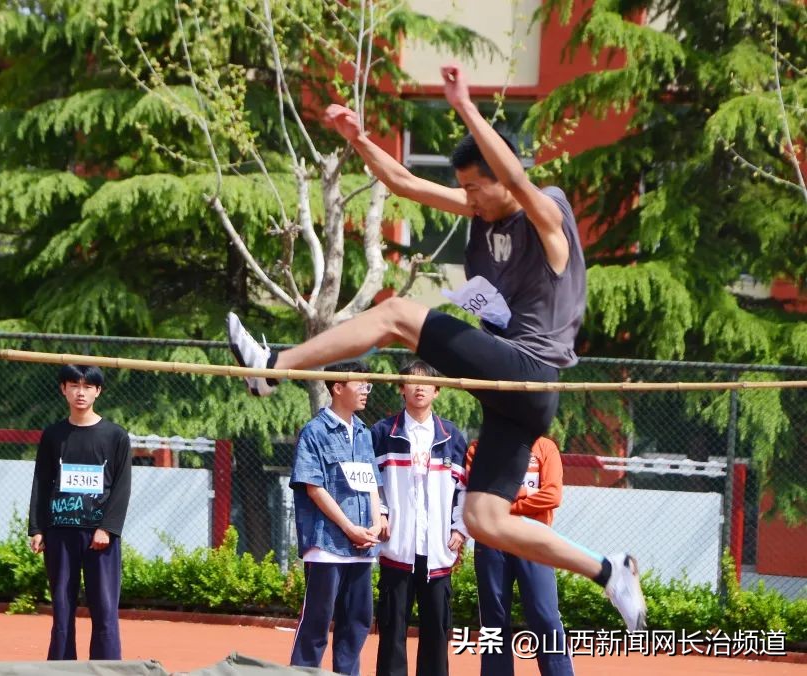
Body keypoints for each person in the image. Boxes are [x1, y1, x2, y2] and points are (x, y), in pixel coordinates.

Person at [225, 62, 646, 631]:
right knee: (482, 517)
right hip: (509, 395)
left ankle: (273, 368)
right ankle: (608, 570)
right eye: (465, 188)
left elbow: (519, 182)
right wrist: (359, 140)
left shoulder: (545, 214)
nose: (468, 199)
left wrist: (465, 105)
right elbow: (404, 183)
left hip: (531, 370)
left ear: (502, 177)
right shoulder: (480, 211)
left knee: (397, 314)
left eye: (477, 187)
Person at [370, 360, 469, 676]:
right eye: (412, 381)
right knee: (391, 631)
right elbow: (371, 483)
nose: (420, 387)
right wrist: (380, 514)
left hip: (438, 551)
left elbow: (465, 490)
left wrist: (460, 528)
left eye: (427, 382)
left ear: (438, 391)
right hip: (397, 547)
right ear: (401, 388)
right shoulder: (383, 433)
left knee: (437, 633)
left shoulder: (452, 436)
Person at [28, 364, 132, 661]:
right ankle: (61, 667)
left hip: (100, 537)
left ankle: (108, 668)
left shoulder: (115, 436)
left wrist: (107, 529)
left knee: (105, 609)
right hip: (60, 532)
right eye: (74, 385)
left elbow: (122, 487)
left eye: (87, 387)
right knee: (62, 608)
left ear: (98, 391)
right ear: (63, 389)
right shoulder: (53, 435)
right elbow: (41, 481)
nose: (80, 392)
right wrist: (37, 528)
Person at [289, 361, 382, 676]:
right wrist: (348, 527)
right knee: (316, 623)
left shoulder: (363, 433)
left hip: (361, 549)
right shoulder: (314, 431)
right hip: (327, 544)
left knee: (356, 623)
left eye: (368, 385)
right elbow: (314, 488)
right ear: (337, 387)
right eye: (361, 385)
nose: (366, 391)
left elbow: (370, 484)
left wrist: (377, 519)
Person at [468, 436, 575, 676]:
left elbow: (552, 496)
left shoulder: (545, 447)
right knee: (494, 621)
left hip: (534, 539)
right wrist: (527, 494)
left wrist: (505, 503)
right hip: (491, 541)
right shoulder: (479, 448)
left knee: (545, 616)